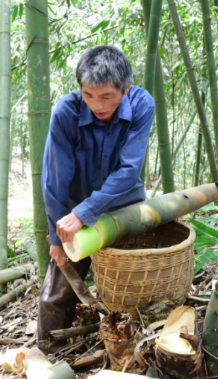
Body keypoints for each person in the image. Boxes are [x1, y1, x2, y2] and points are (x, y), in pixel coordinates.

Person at [39, 45, 155, 350]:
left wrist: (86, 212)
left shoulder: (142, 104)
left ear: (126, 89)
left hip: (124, 207)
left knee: (132, 284)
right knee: (60, 284)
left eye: (107, 96)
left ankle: (135, 349)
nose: (97, 105)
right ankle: (47, 349)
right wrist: (55, 237)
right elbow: (55, 180)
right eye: (88, 95)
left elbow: (129, 170)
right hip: (74, 212)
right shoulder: (66, 112)